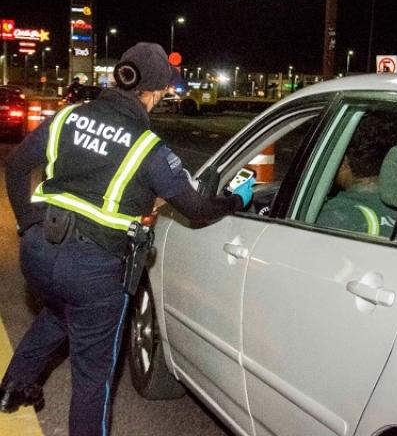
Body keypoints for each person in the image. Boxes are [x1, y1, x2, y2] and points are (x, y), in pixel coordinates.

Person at [0, 42, 254, 436]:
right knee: (93, 378)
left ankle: (14, 387)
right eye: (163, 92)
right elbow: (197, 209)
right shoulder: (148, 148)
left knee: (57, 314)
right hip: (93, 271)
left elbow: (16, 166)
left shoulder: (67, 116)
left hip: (39, 252)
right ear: (151, 93)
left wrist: (27, 224)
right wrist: (237, 199)